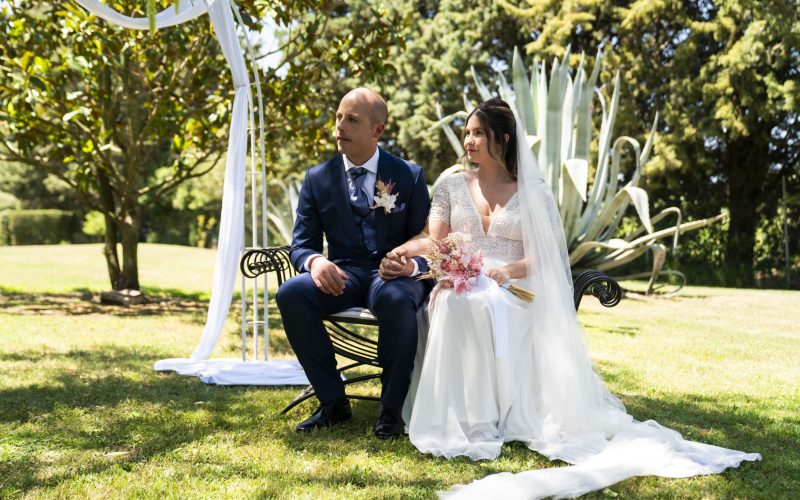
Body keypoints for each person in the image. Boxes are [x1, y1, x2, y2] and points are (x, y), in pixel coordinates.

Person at [384, 98, 760, 497]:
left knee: (482, 303)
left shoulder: (534, 191)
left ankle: (485, 420)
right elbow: (435, 241)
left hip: (518, 285)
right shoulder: (451, 185)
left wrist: (507, 271)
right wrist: (407, 256)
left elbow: (546, 255)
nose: (469, 141)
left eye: (479, 133)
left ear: (503, 139)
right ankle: (456, 418)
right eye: (467, 133)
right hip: (464, 277)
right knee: (454, 301)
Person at [276, 88, 432, 439]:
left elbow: (426, 236)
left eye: (352, 120)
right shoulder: (317, 178)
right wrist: (316, 262)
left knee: (396, 299)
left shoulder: (408, 175)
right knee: (291, 294)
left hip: (393, 275)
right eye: (338, 117)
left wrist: (405, 261)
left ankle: (392, 410)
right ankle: (332, 401)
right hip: (343, 274)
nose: (340, 126)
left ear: (377, 130)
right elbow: (301, 245)